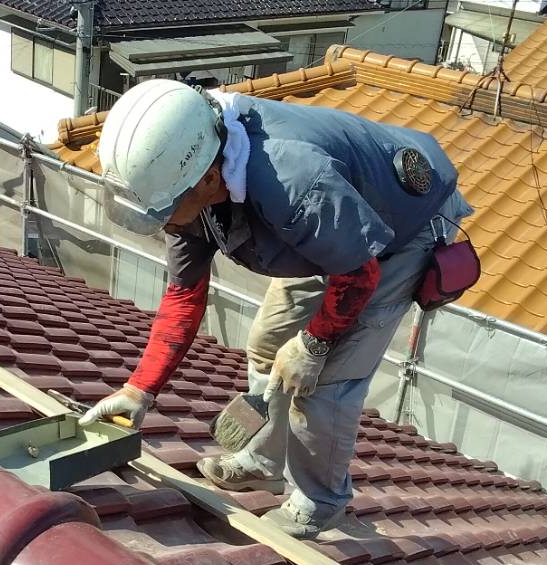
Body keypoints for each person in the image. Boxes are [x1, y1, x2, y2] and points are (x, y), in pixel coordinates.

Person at [79, 79, 472, 539]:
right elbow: (184, 295)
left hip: (396, 233)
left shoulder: (292, 179)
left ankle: (320, 501)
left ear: (209, 181)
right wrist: (138, 390)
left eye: (165, 213)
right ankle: (263, 459)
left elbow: (359, 274)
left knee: (324, 380)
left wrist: (314, 343)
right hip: (326, 231)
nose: (162, 224)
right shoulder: (183, 180)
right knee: (268, 344)